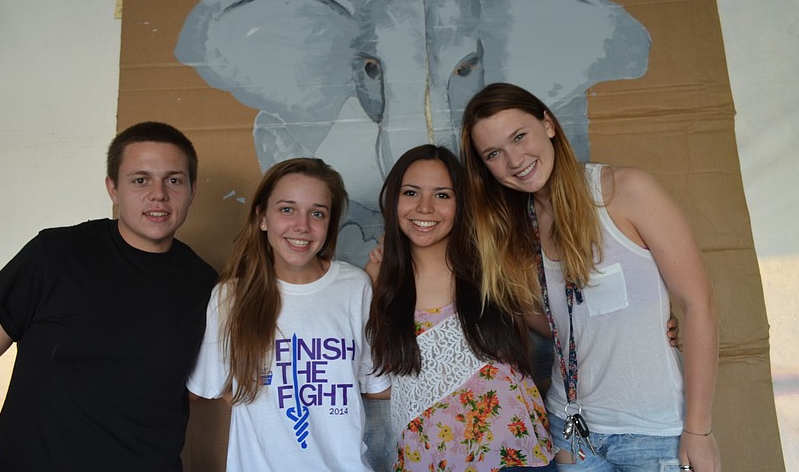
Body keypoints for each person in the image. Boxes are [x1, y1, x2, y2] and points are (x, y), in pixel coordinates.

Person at [460, 83, 720, 472]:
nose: (514, 160)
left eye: (519, 136)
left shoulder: (625, 191)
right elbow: (559, 322)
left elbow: (700, 304)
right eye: (493, 154)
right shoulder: (516, 227)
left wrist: (698, 430)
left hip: (653, 433)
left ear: (548, 124)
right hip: (570, 433)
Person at [0, 121, 218, 471]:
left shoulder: (206, 285)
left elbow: (198, 390)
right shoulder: (54, 254)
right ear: (113, 188)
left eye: (174, 180)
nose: (158, 194)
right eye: (140, 180)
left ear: (192, 190)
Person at [188, 157, 391, 471]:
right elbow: (206, 387)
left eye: (317, 213)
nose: (302, 226)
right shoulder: (230, 297)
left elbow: (376, 385)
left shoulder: (356, 286)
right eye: (287, 209)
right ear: (262, 217)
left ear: (329, 224)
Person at [366, 144, 556, 472]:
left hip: (515, 456)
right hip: (429, 458)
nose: (425, 208)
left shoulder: (491, 265)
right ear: (393, 200)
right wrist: (433, 383)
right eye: (411, 192)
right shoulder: (376, 280)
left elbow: (558, 327)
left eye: (442, 195)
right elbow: (368, 379)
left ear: (461, 204)